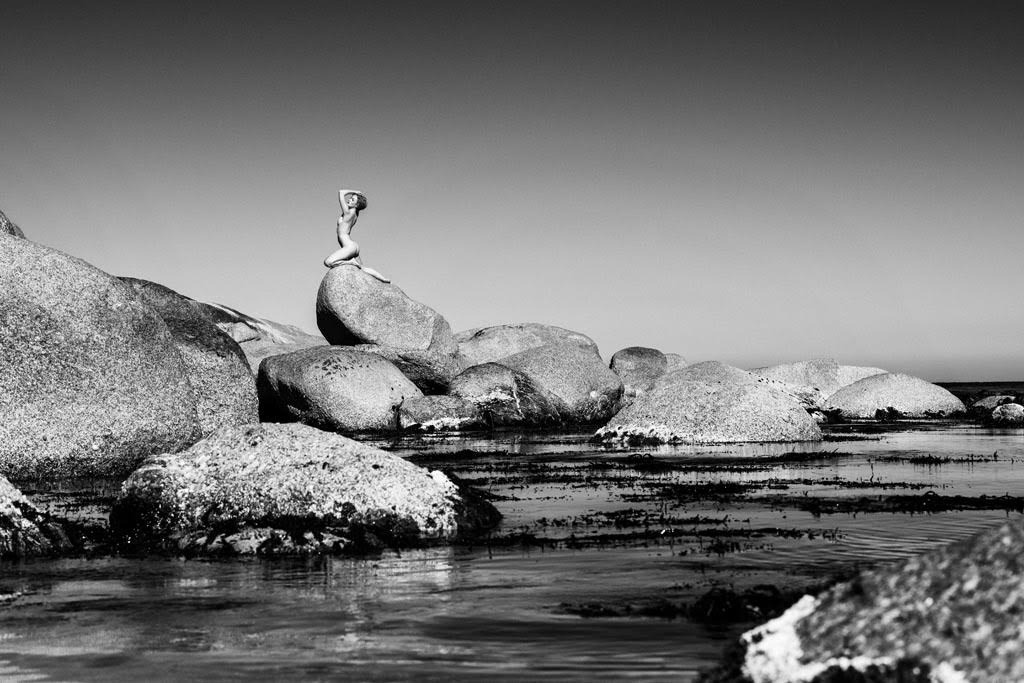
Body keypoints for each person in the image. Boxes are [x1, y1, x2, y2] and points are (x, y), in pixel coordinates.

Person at [323, 189, 390, 282]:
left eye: (352, 200)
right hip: (353, 247)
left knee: (328, 262)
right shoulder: (355, 214)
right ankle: (384, 279)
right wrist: (357, 196)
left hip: (349, 247)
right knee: (363, 268)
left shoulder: (348, 213)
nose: (349, 200)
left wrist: (355, 191)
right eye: (350, 198)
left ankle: (351, 262)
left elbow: (341, 192)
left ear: (356, 205)